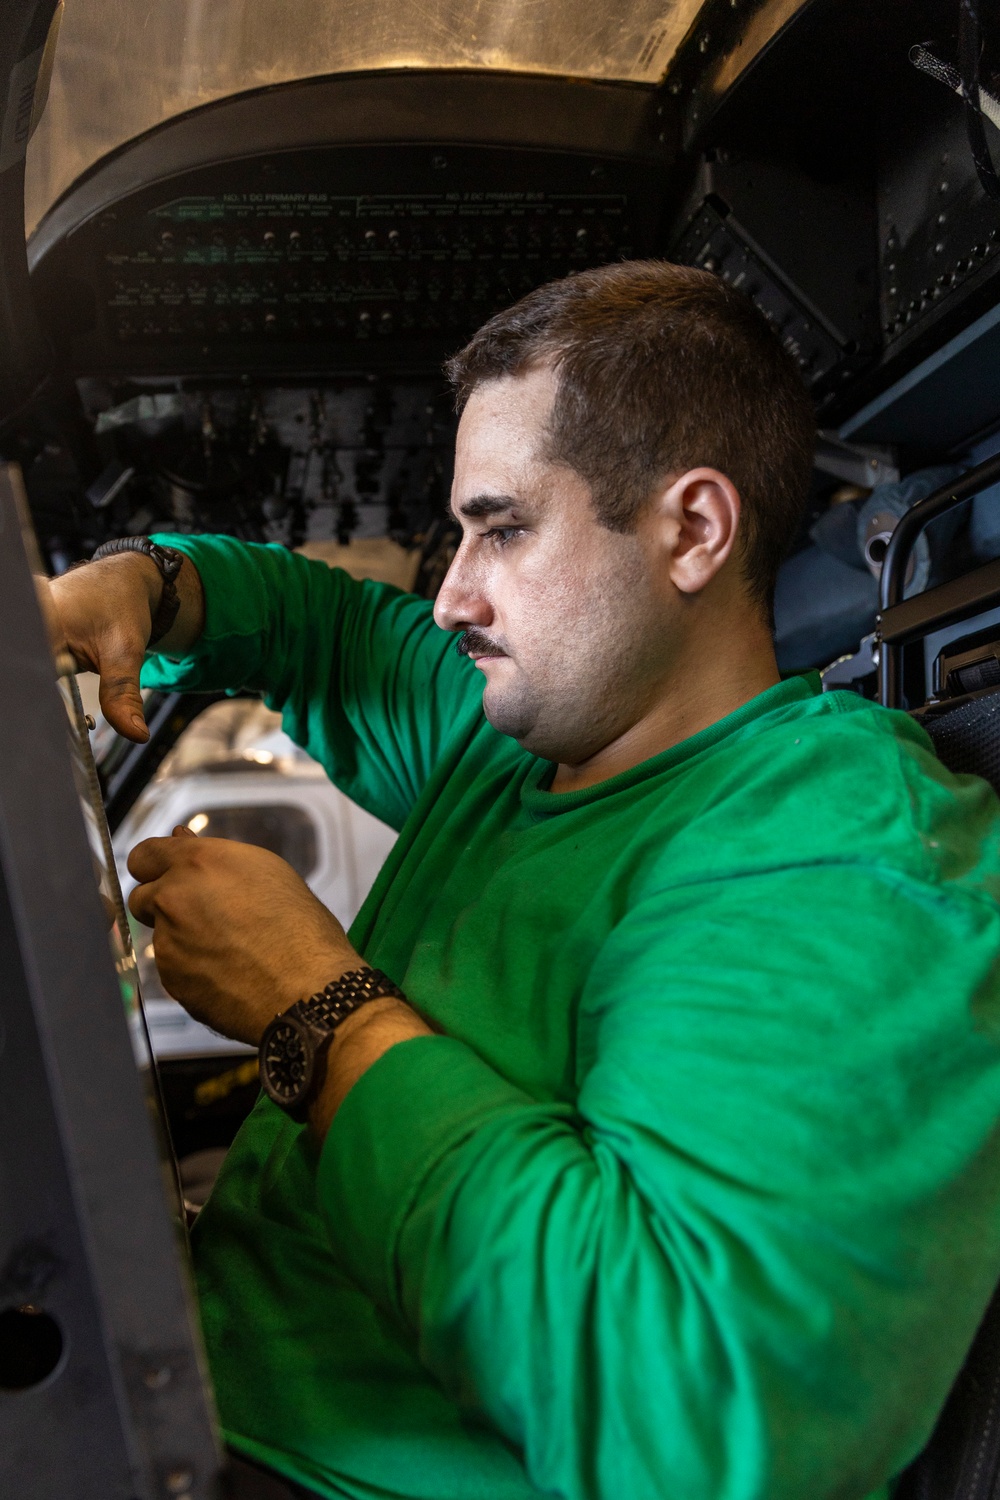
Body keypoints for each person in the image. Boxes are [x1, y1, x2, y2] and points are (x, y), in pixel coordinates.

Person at [48, 261, 1000, 1500]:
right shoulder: (516, 737)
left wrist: (314, 1008)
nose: (450, 596)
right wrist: (143, 583)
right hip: (190, 1404)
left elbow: (695, 1426)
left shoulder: (841, 844)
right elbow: (307, 623)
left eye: (502, 529)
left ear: (693, 531)